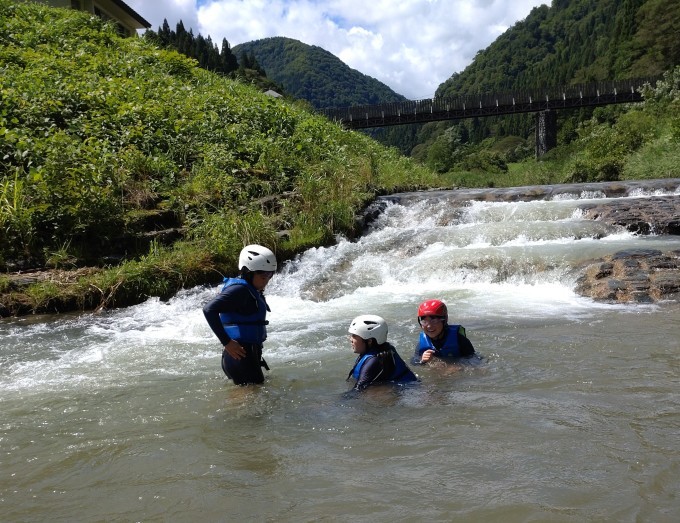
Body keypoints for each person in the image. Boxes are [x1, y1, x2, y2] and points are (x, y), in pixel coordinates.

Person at [203, 244, 277, 386]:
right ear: (248, 272)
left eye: (270, 275)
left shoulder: (250, 290)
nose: (267, 281)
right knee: (248, 401)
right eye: (263, 276)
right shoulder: (238, 290)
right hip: (240, 355)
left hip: (245, 355)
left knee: (252, 400)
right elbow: (209, 309)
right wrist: (227, 342)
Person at [346, 314, 418, 391]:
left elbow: (358, 390)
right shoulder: (380, 351)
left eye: (354, 336)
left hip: (409, 389)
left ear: (369, 341)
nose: (351, 339)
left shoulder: (375, 360)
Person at [413, 299, 476, 365]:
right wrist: (422, 361)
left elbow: (475, 361)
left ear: (444, 320)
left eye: (434, 321)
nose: (429, 326)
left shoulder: (460, 340)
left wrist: (458, 367)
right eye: (424, 322)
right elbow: (413, 362)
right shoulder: (421, 344)